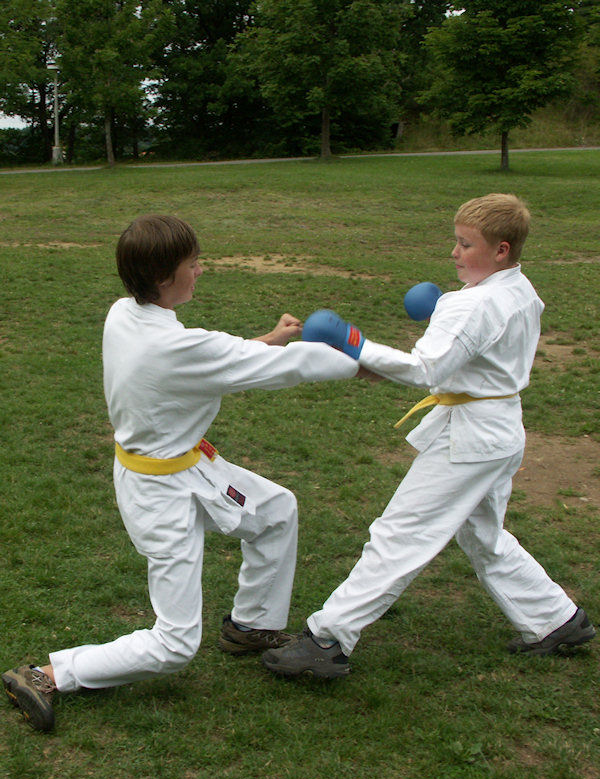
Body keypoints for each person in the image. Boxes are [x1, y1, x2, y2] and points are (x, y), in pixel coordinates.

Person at [2, 214, 359, 731]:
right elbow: (278, 366)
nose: (200, 270)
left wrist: (271, 338)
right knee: (174, 643)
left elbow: (219, 359)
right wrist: (361, 358)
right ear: (164, 276)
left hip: (190, 467)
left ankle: (250, 626)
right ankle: (44, 675)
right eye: (193, 264)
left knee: (277, 510)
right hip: (157, 494)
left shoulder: (124, 312)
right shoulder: (172, 346)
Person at [262, 193, 596, 679]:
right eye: (455, 241)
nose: (454, 253)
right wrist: (444, 311)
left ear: (501, 249)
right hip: (499, 428)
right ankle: (556, 620)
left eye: (466, 245)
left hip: (470, 439)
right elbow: (475, 344)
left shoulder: (475, 304)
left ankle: (328, 639)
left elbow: (426, 369)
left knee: (401, 533)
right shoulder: (518, 289)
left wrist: (354, 343)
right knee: (483, 535)